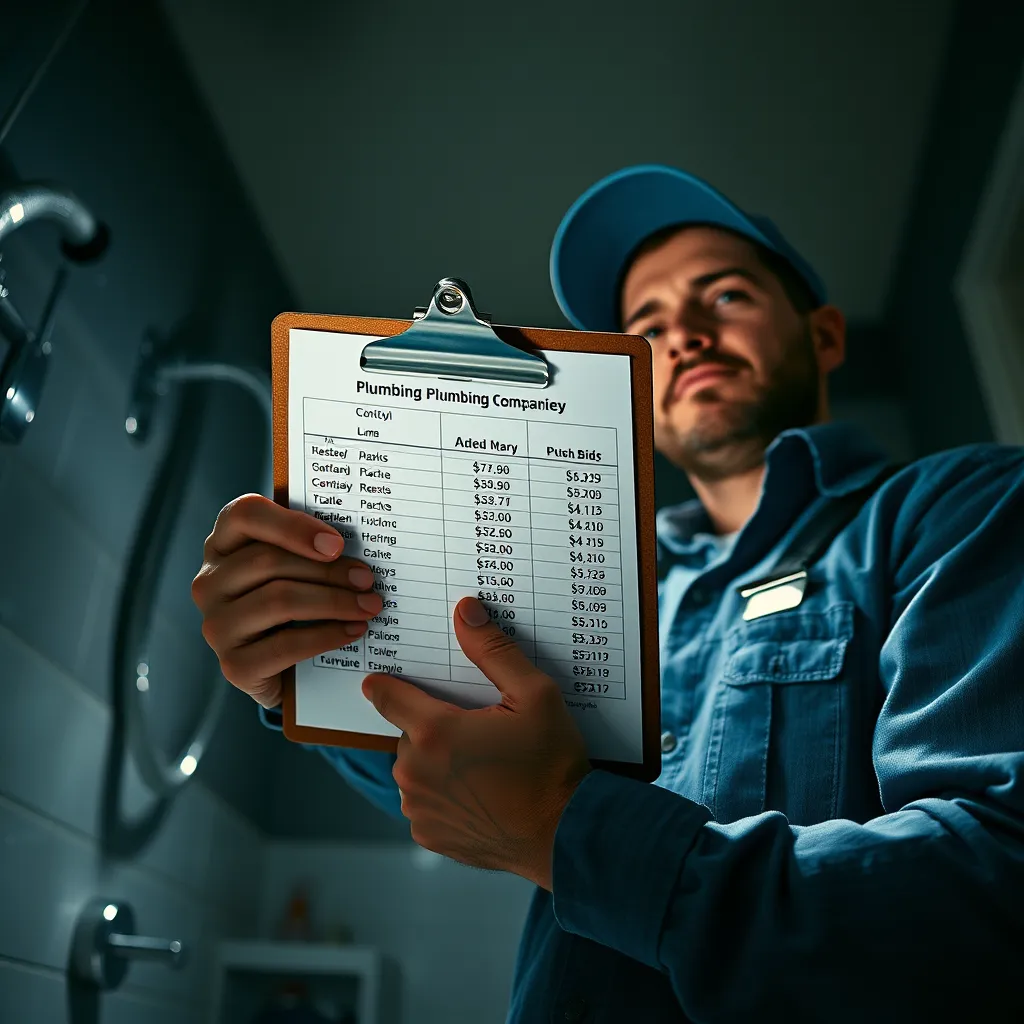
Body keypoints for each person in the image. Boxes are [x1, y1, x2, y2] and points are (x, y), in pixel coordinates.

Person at [193, 165, 1024, 1021]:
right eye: (649, 325)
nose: (687, 334)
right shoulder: (591, 574)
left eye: (726, 296)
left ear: (824, 335)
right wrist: (303, 662)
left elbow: (991, 893)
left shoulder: (961, 509)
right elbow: (454, 771)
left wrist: (567, 830)